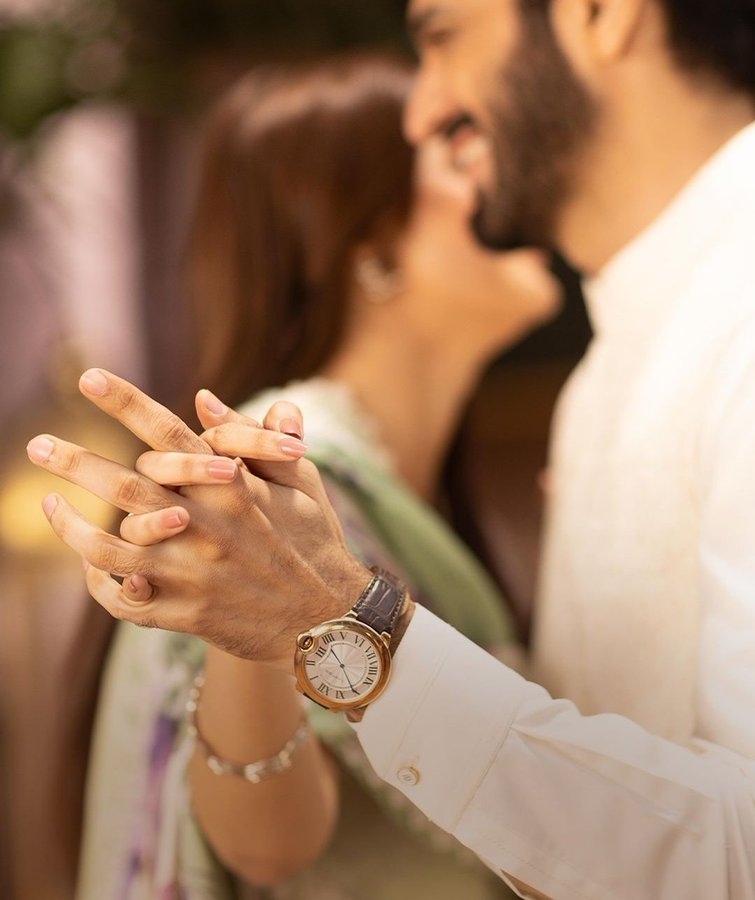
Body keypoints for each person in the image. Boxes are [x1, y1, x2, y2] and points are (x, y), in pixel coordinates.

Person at [27, 0, 755, 896]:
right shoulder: (303, 465)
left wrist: (336, 619)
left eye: (445, 33)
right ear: (369, 249)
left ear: (604, 15)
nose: (430, 117)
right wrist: (303, 619)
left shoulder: (706, 337)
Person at [32, 55, 558, 899]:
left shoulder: (404, 488)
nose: (504, 175)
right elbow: (269, 850)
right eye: (459, 156)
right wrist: (255, 631)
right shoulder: (265, 480)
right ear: (373, 245)